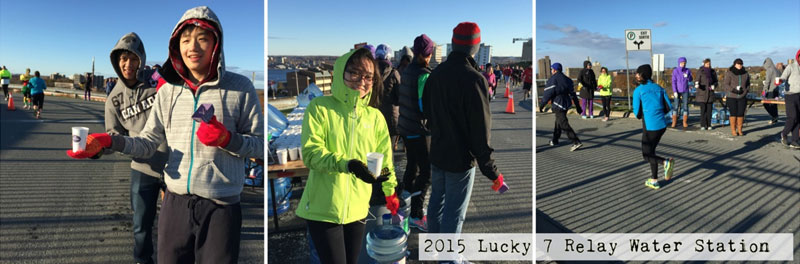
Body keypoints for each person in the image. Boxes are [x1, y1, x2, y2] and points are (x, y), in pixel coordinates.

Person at [66, 6, 264, 263]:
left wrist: (228, 139)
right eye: (185, 40)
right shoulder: (168, 91)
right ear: (176, 46)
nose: (193, 47)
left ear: (217, 43)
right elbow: (148, 142)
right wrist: (109, 141)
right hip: (175, 202)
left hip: (221, 204)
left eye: (202, 38)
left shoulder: (240, 88)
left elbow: (261, 146)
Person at [297, 47, 399, 264]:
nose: (361, 81)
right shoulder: (320, 108)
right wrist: (348, 165)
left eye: (368, 77)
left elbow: (385, 160)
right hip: (323, 209)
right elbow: (311, 154)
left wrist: (390, 192)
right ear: (341, 72)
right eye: (354, 73)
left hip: (358, 208)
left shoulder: (375, 117)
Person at [422, 22, 506, 239]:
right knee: (454, 212)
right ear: (475, 47)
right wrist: (492, 171)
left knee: (436, 202)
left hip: (437, 152)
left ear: (453, 43)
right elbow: (480, 131)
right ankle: (448, 255)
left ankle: (434, 248)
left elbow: (426, 112)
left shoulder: (435, 74)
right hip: (460, 159)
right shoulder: (475, 79)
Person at [102, 32, 168, 264]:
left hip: (175, 163)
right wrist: (99, 148)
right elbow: (114, 136)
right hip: (142, 166)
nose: (128, 64)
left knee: (174, 224)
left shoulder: (157, 81)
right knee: (141, 223)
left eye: (133, 58)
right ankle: (143, 259)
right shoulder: (114, 99)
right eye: (123, 59)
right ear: (116, 62)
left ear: (141, 59)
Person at [397, 34, 434, 232]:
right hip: (418, 130)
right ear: (428, 54)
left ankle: (406, 205)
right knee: (426, 173)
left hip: (406, 127)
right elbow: (424, 107)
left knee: (412, 166)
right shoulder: (423, 75)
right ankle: (416, 214)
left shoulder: (407, 70)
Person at [633, 64, 674, 190]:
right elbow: (669, 106)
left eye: (638, 73)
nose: (636, 75)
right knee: (652, 152)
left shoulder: (639, 90)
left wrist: (647, 112)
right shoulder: (659, 88)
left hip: (650, 126)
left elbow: (637, 114)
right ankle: (654, 180)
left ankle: (665, 162)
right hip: (661, 125)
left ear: (643, 75)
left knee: (646, 155)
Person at [540, 63, 583, 151]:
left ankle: (576, 141)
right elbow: (573, 94)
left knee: (563, 123)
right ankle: (555, 140)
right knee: (558, 121)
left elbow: (548, 93)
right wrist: (578, 106)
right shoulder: (568, 79)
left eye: (552, 69)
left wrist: (542, 104)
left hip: (558, 103)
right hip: (566, 102)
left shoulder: (553, 79)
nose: (551, 71)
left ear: (554, 70)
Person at [375, 44, 401, 151]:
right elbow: (400, 96)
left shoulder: (371, 72)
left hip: (374, 116)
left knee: (375, 149)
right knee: (389, 150)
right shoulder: (394, 73)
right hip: (391, 117)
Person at [778, 49, 800, 148]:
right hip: (790, 95)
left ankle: (795, 140)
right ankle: (784, 133)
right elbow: (783, 77)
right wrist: (780, 81)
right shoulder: (791, 66)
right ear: (798, 57)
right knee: (793, 117)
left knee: (798, 118)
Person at [722, 58, 750, 136]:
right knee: (733, 113)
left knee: (741, 113)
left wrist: (745, 91)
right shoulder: (730, 73)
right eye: (738, 64)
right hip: (732, 96)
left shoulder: (745, 74)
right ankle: (733, 130)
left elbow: (748, 84)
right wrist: (733, 90)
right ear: (734, 64)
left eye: (741, 64)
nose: (739, 65)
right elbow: (726, 84)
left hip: (742, 96)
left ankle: (740, 129)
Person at [695, 58, 718, 130]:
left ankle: (709, 125)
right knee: (703, 110)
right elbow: (697, 80)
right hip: (702, 93)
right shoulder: (700, 71)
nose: (708, 65)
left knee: (709, 110)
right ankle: (702, 125)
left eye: (709, 64)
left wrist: (714, 85)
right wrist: (698, 85)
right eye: (707, 64)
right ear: (704, 64)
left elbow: (716, 81)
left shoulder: (712, 72)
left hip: (710, 93)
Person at [671, 57, 693, 128]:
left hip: (685, 90)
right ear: (679, 63)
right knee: (676, 106)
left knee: (685, 106)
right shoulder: (675, 71)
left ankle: (684, 122)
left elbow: (691, 79)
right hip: (677, 91)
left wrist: (688, 76)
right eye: (682, 63)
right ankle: (674, 122)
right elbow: (673, 81)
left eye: (684, 63)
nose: (683, 64)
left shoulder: (687, 70)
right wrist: (675, 91)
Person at [763, 58, 780, 124]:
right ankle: (775, 118)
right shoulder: (777, 70)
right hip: (777, 90)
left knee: (766, 104)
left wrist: (764, 91)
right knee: (774, 105)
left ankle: (774, 116)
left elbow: (767, 81)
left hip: (771, 91)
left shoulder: (769, 70)